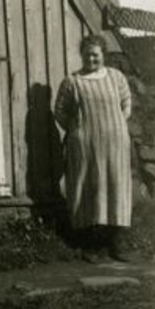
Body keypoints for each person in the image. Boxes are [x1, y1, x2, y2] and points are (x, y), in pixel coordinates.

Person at [53, 33, 134, 259]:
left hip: (115, 145)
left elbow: (126, 102)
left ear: (103, 55)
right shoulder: (72, 82)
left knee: (116, 187)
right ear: (81, 55)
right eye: (87, 55)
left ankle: (115, 242)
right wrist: (77, 129)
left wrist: (118, 123)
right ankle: (89, 244)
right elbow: (60, 112)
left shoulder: (116, 77)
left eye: (95, 55)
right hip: (85, 147)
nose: (91, 59)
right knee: (87, 188)